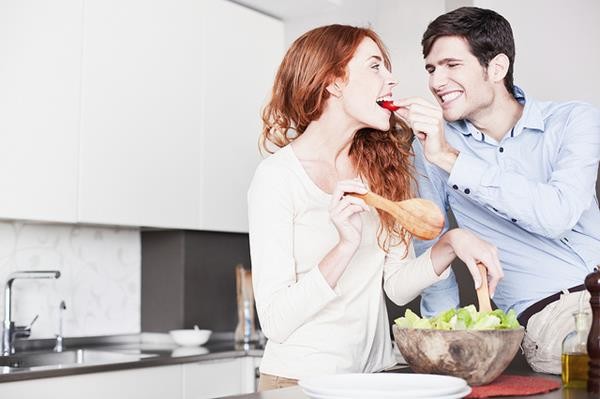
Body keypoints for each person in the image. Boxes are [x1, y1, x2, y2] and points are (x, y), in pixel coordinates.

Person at [247, 24, 502, 391]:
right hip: (299, 382)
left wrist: (451, 243)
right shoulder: (277, 178)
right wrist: (343, 247)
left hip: (371, 379)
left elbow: (397, 286)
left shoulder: (381, 169)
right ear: (334, 82)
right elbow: (275, 321)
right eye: (375, 67)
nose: (391, 80)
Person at [396, 7, 600, 374]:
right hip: (550, 313)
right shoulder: (429, 149)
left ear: (497, 68)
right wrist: (441, 354)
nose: (436, 81)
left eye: (451, 65)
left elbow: (558, 214)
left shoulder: (574, 121)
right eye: (430, 68)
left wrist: (454, 160)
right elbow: (432, 250)